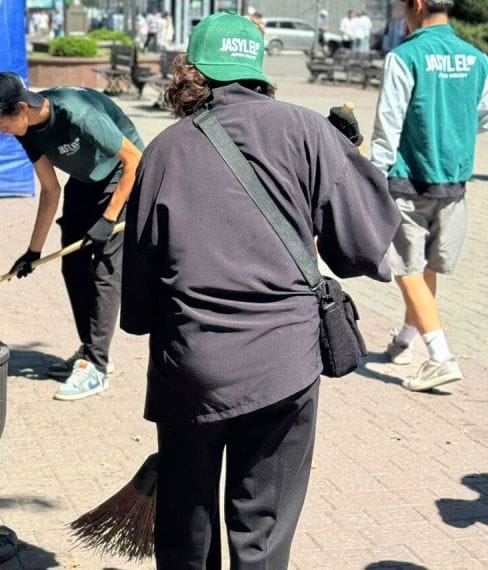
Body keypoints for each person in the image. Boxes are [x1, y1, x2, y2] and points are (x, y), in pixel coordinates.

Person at [121, 12, 399, 568]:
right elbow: (364, 247)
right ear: (259, 69)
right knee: (262, 532)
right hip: (283, 364)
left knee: (186, 525)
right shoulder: (309, 130)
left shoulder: (165, 150)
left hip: (191, 365)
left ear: (191, 73)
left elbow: (139, 300)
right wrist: (343, 159)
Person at [0, 72, 144, 401]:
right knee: (72, 265)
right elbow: (50, 189)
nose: (1, 130)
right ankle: (90, 349)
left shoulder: (78, 113)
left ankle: (97, 366)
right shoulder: (26, 131)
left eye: (2, 123)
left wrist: (109, 218)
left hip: (121, 176)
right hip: (86, 179)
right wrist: (32, 252)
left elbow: (134, 159)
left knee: (104, 270)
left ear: (22, 107)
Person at [371, 0, 488, 391]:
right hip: (453, 181)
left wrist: (373, 178)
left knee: (406, 268)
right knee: (426, 267)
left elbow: (389, 123)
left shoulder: (405, 56)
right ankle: (405, 341)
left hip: (409, 179)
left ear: (417, 5)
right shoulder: (477, 58)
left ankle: (440, 357)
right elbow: (483, 115)